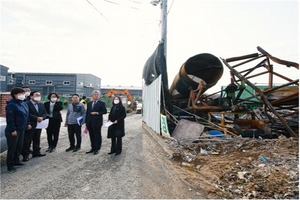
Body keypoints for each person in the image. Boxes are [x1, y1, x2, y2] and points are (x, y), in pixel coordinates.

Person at [5, 87, 31, 172]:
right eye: (20, 94)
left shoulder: (23, 104)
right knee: (12, 147)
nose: (22, 95)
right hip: (14, 130)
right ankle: (10, 165)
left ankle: (16, 160)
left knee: (19, 146)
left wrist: (28, 123)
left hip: (22, 129)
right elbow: (10, 119)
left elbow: (27, 115)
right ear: (14, 95)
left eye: (23, 94)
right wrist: (13, 129)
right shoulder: (11, 105)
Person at [22, 91, 47, 161]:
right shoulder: (26, 104)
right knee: (27, 140)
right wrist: (36, 118)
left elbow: (44, 112)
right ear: (31, 96)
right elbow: (27, 114)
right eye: (36, 95)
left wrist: (42, 117)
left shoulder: (41, 104)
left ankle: (36, 152)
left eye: (39, 95)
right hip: (30, 124)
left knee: (37, 138)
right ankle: (25, 154)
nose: (38, 96)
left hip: (39, 124)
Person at [85, 90, 107, 155]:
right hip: (90, 122)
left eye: (97, 94)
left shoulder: (101, 103)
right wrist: (86, 122)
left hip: (97, 122)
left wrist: (97, 113)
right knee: (91, 135)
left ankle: (97, 148)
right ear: (92, 96)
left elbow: (104, 111)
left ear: (99, 96)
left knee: (97, 135)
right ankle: (93, 147)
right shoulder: (89, 103)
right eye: (94, 94)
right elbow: (87, 113)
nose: (96, 95)